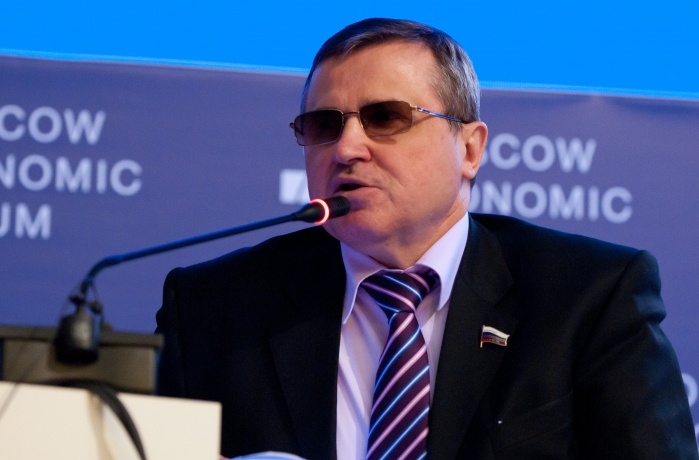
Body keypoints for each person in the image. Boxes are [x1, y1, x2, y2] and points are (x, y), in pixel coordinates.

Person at [155, 18, 698, 459]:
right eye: (324, 125)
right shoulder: (212, 308)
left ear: (470, 149)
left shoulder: (589, 297)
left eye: (385, 118)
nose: (346, 149)